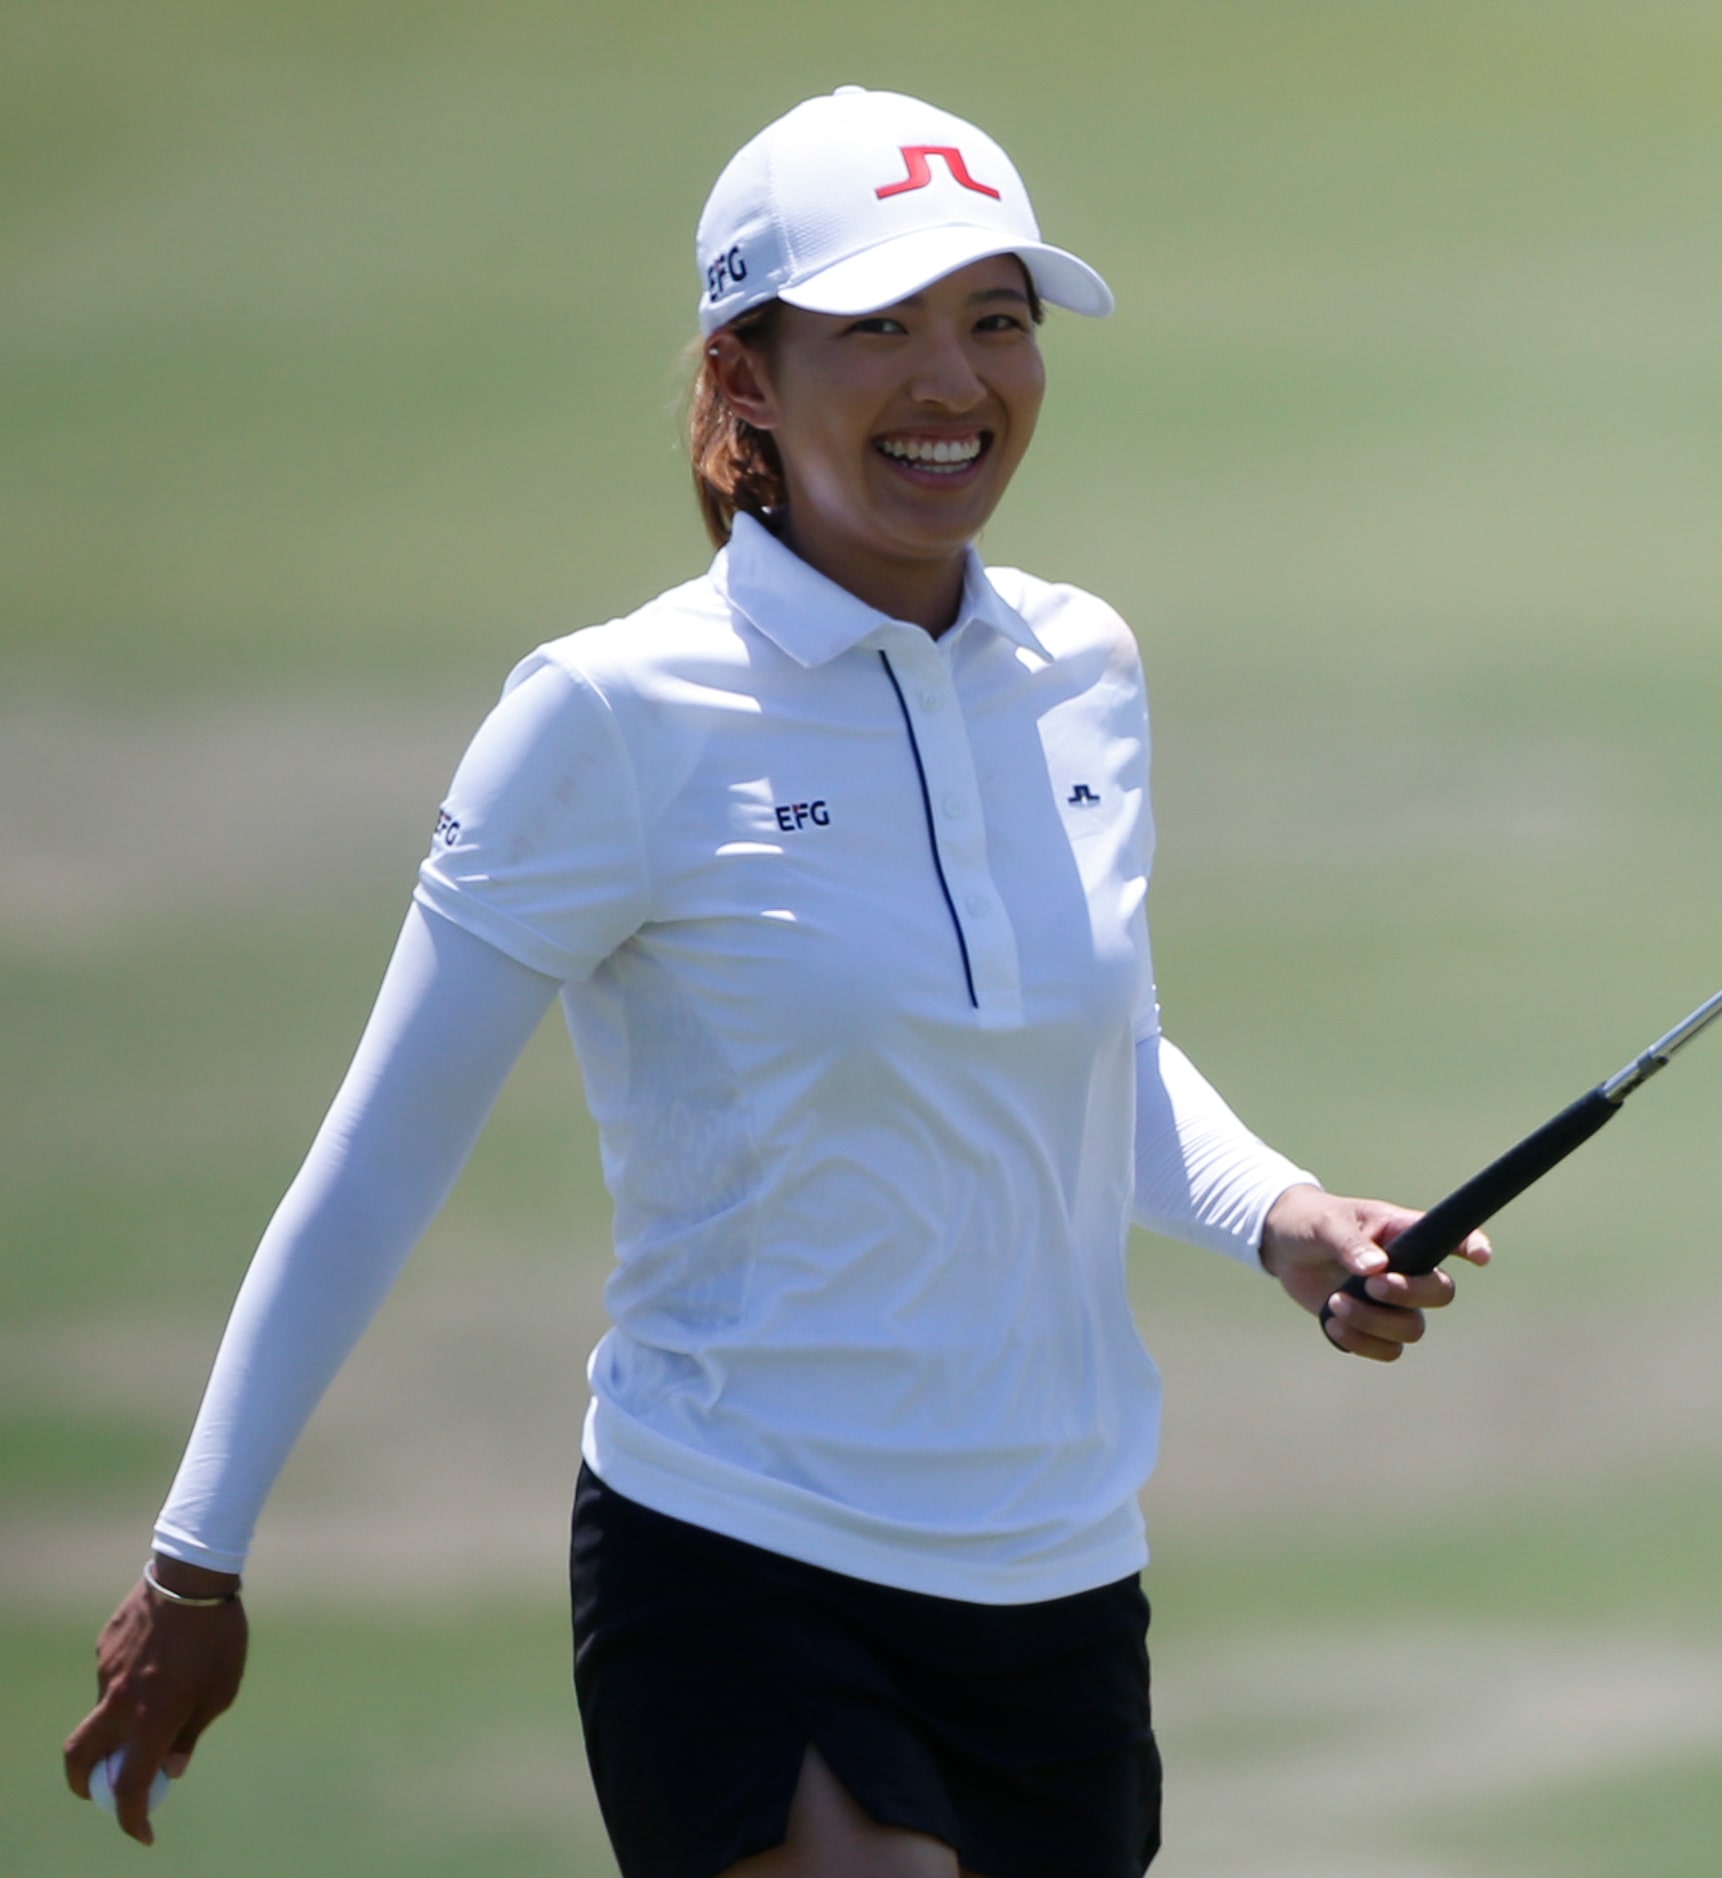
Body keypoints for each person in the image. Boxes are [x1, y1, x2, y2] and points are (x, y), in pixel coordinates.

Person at [62, 86, 1488, 1877]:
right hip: (741, 1556)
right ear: (745, 375)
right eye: (877, 327)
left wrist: (1277, 1212)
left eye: (994, 320)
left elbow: (1079, 1051)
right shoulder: (608, 718)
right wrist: (199, 1554)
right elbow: (380, 1151)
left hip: (1057, 1583)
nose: (951, 381)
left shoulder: (1084, 671)